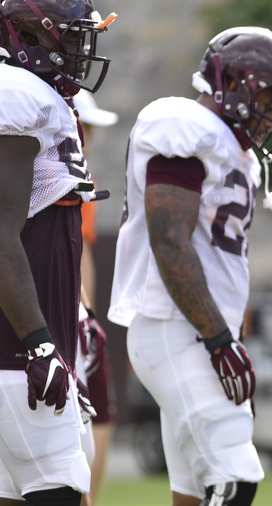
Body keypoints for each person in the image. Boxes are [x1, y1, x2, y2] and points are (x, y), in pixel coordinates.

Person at [107, 27, 272, 506]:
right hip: (177, 328)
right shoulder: (182, 124)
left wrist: (226, 340)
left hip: (200, 331)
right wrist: (220, 342)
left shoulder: (233, 149)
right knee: (234, 478)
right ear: (235, 85)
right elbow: (169, 242)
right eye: (270, 101)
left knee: (193, 492)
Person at [0, 0, 114, 504]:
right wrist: (40, 342)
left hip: (25, 352)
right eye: (69, 37)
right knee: (63, 492)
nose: (79, 50)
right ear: (28, 37)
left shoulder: (40, 98)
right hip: (19, 355)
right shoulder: (18, 92)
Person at [71, 91, 119, 506]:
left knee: (98, 416)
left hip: (72, 314)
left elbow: (81, 251)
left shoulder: (82, 175)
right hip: (48, 317)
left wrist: (87, 314)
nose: (87, 137)